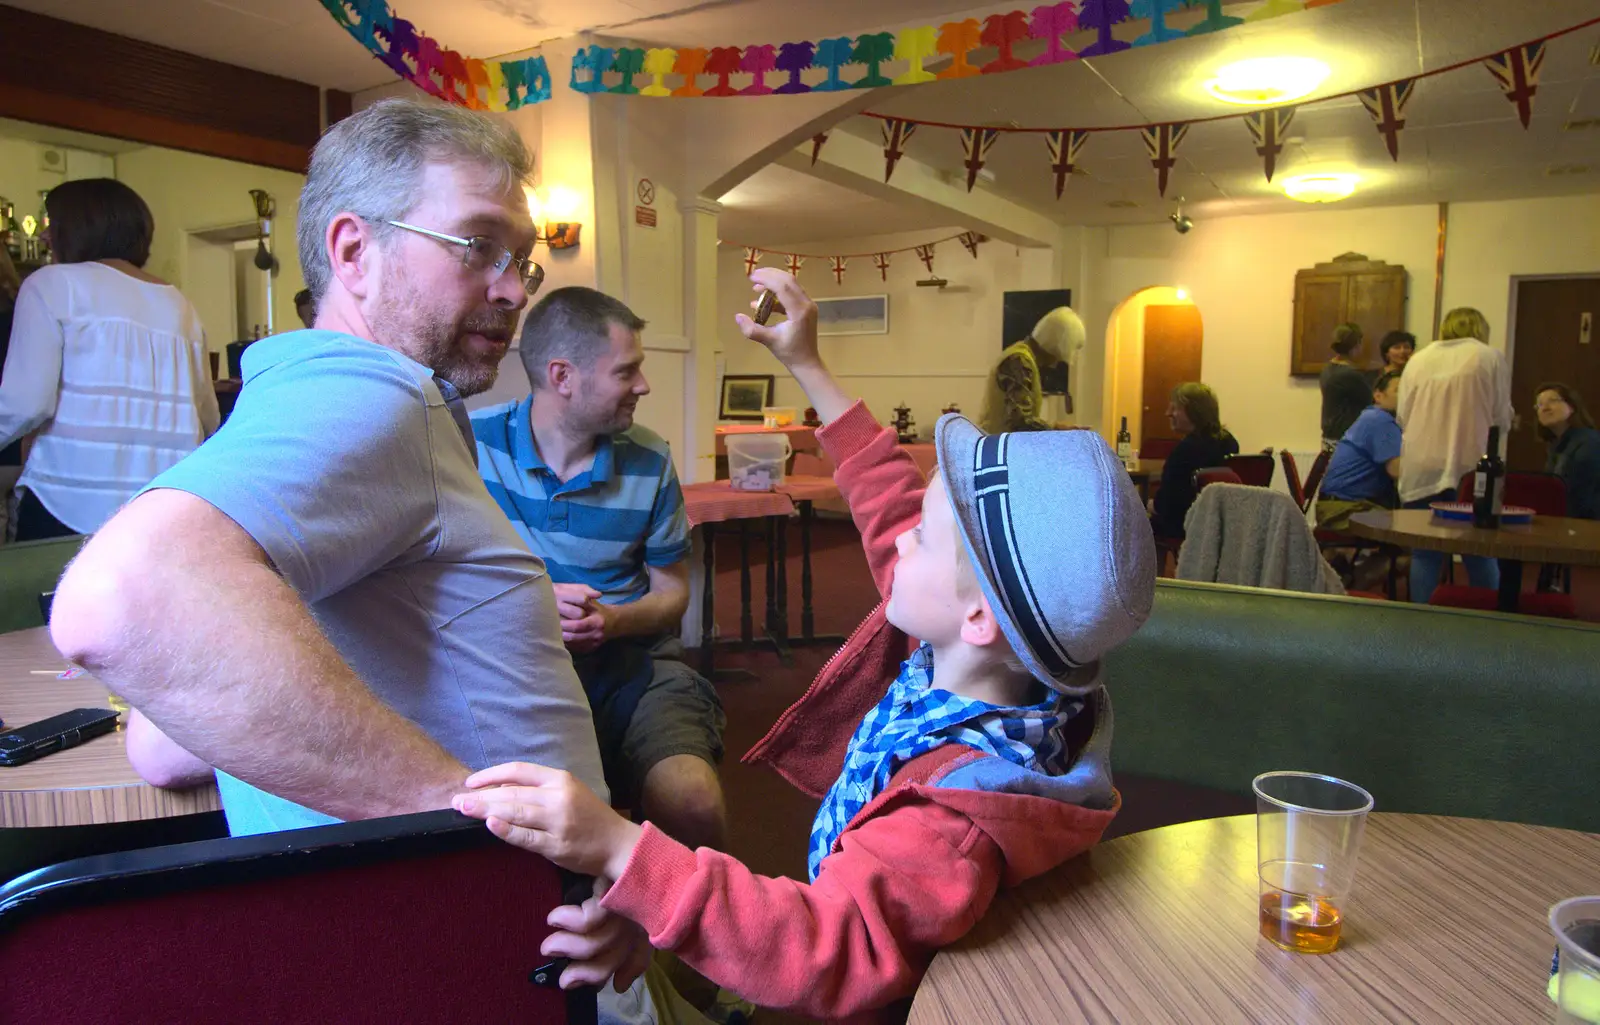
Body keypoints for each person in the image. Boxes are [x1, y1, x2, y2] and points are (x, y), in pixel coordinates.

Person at [49, 97, 653, 1013]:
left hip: (417, 951)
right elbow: (122, 599)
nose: (512, 286)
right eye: (478, 245)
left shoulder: (305, 393)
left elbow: (164, 746)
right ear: (353, 251)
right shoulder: (375, 396)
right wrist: (494, 834)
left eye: (518, 258)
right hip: (499, 947)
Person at [451, 267, 1157, 1023]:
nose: (896, 541)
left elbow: (821, 945)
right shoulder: (982, 654)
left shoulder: (955, 816)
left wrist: (622, 850)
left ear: (978, 615)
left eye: (922, 534)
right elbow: (885, 497)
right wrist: (807, 361)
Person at [471, 286, 726, 852]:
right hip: (513, 669)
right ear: (563, 376)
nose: (644, 385)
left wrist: (610, 622)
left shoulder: (651, 458)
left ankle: (703, 932)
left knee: (694, 802)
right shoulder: (471, 444)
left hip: (636, 666)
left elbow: (673, 594)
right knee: (509, 824)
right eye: (627, 371)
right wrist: (532, 604)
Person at [0, 178, 219, 540]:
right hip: (161, 514)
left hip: (67, 504)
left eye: (52, 224)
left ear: (79, 227)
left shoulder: (53, 284)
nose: (44, 237)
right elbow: (207, 417)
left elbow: (26, 403)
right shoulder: (179, 304)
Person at [1397, 307, 1511, 603]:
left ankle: (1422, 627)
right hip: (1471, 465)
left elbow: (1402, 416)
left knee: (1424, 552)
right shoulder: (1489, 356)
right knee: (1480, 553)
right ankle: (1484, 625)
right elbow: (1500, 417)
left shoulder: (1418, 360)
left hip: (1422, 465)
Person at [1149, 382, 1239, 539]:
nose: (1168, 413)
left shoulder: (1185, 451)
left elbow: (1167, 504)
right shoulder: (1230, 443)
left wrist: (1150, 505)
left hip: (1187, 525)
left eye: (1175, 408)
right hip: (1221, 525)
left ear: (1194, 412)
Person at [1316, 370, 1403, 530]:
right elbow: (1396, 470)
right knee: (1413, 527)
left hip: (1335, 504)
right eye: (1398, 390)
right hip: (1346, 509)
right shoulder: (1381, 420)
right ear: (1378, 396)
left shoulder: (1371, 416)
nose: (1405, 395)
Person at [978, 306, 1084, 433]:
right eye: (1058, 357)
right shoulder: (1019, 361)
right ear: (1054, 347)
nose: (1056, 363)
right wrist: (1056, 429)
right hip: (998, 448)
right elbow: (1020, 421)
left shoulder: (1020, 356)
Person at [1535, 382, 1600, 519]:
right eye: (1539, 404)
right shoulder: (1555, 445)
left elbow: (1579, 499)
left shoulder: (1589, 442)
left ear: (1572, 407)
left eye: (1553, 401)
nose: (1545, 408)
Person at [1319, 322, 1369, 449]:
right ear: (1356, 346)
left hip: (1329, 437)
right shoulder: (1350, 374)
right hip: (1345, 438)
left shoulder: (1327, 369)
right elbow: (1370, 402)